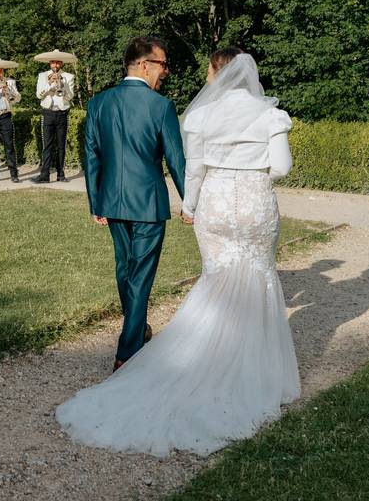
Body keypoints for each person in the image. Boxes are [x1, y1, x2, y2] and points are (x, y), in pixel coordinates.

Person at [56, 46, 299, 459]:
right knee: (147, 275)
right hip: (166, 202)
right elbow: (179, 158)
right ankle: (130, 347)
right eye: (163, 64)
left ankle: (138, 334)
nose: (167, 71)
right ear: (145, 65)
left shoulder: (100, 102)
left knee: (131, 271)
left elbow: (92, 154)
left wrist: (98, 202)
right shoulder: (164, 105)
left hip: (120, 203)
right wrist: (189, 203)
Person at [33, 49, 76, 183]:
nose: (55, 65)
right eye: (53, 63)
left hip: (62, 112)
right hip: (48, 112)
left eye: (57, 63)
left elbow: (70, 97)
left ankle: (61, 174)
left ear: (61, 63)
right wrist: (49, 85)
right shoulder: (42, 75)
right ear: (49, 63)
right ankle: (44, 175)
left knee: (61, 145)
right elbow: (39, 95)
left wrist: (63, 86)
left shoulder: (69, 76)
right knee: (47, 145)